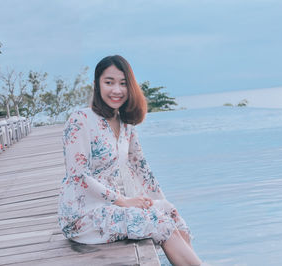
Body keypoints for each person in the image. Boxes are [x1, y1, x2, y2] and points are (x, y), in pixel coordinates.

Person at [58, 55, 202, 265]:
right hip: (82, 215)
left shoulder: (125, 124)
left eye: (123, 83)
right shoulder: (80, 120)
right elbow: (78, 175)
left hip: (111, 208)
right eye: (109, 82)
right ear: (97, 85)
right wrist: (122, 200)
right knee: (157, 222)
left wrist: (156, 202)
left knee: (169, 212)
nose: (116, 90)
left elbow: (142, 169)